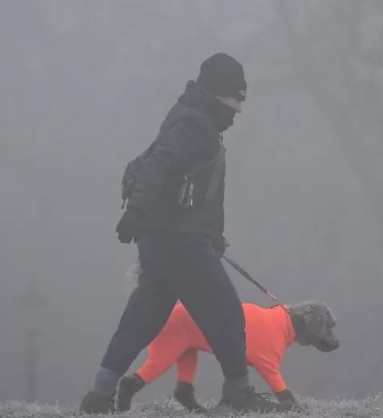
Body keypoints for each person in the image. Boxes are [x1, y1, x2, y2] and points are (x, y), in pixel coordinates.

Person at [79, 52, 290, 414]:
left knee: (143, 317)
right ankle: (239, 395)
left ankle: (99, 394)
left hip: (165, 238)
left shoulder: (192, 118)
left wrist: (209, 235)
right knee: (225, 310)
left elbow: (191, 190)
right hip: (177, 240)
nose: (238, 110)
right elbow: (160, 164)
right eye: (235, 100)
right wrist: (136, 211)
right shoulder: (195, 125)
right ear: (218, 93)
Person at [115, 299, 340, 413]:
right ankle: (131, 385)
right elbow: (268, 368)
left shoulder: (276, 323)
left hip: (185, 320)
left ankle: (184, 394)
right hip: (179, 321)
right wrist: (289, 401)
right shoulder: (274, 332)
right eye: (326, 329)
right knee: (159, 362)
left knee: (187, 348)